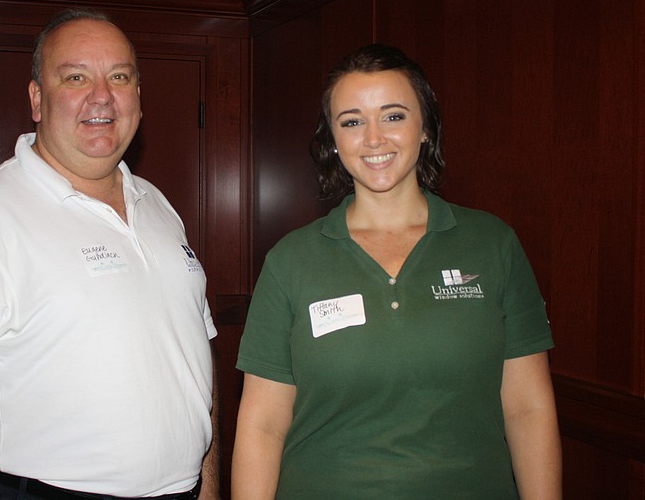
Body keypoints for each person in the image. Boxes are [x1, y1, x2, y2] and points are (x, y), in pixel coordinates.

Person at [0, 8, 220, 500]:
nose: (102, 96)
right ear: (37, 99)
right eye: (76, 77)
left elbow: (194, 361)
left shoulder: (158, 205)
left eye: (119, 77)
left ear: (138, 97)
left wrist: (207, 489)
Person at [231, 43, 561, 499]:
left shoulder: (493, 245)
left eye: (393, 116)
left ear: (425, 128)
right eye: (352, 122)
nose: (374, 138)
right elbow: (263, 426)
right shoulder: (290, 261)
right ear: (333, 139)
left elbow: (527, 409)